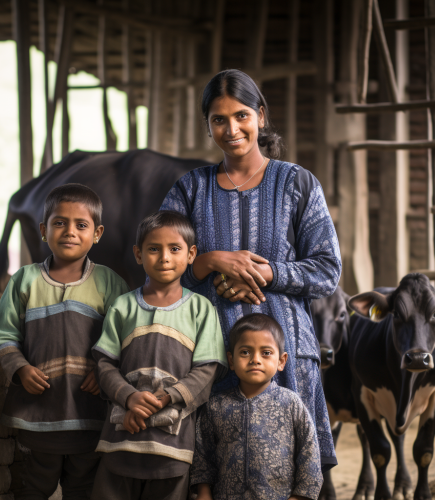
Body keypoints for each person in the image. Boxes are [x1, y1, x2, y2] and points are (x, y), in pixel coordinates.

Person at [161, 69, 341, 471]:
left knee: (289, 476)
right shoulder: (189, 189)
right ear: (207, 127)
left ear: (261, 115)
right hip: (210, 358)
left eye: (241, 115)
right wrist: (210, 262)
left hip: (286, 360)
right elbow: (162, 267)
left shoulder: (298, 183)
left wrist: (267, 273)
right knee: (215, 474)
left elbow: (328, 270)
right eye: (219, 119)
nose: (231, 128)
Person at [0, 183, 130, 499]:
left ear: (97, 233)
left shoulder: (109, 283)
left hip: (91, 413)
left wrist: (103, 370)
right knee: (35, 487)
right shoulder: (24, 280)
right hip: (39, 414)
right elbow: (2, 334)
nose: (69, 231)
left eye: (81, 225)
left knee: (82, 488)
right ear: (43, 230)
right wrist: (20, 368)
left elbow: (125, 338)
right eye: (59, 222)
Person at [90, 210, 228, 500]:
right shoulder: (122, 307)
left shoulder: (201, 310)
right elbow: (104, 364)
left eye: (174, 249)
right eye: (154, 249)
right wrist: (129, 398)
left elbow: (208, 369)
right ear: (138, 255)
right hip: (121, 436)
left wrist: (166, 398)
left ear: (191, 254)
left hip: (172, 445)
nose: (164, 257)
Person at [191, 313, 324, 500]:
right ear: (231, 360)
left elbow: (310, 455)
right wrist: (204, 493)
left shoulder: (291, 403)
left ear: (281, 361)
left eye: (266, 353)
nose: (255, 359)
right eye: (245, 352)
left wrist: (299, 497)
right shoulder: (216, 406)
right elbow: (202, 454)